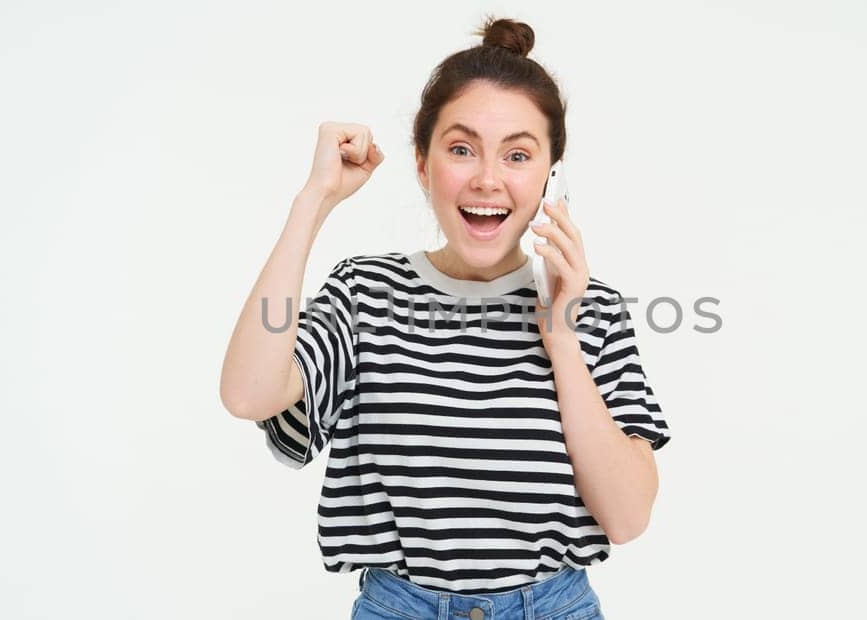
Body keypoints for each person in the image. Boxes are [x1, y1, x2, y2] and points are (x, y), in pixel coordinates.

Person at [219, 16, 671, 620]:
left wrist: (561, 336)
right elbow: (248, 394)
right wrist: (314, 200)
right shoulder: (364, 292)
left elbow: (627, 517)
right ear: (423, 165)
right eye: (461, 149)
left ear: (551, 175)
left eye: (518, 154)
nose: (488, 179)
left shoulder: (594, 309)